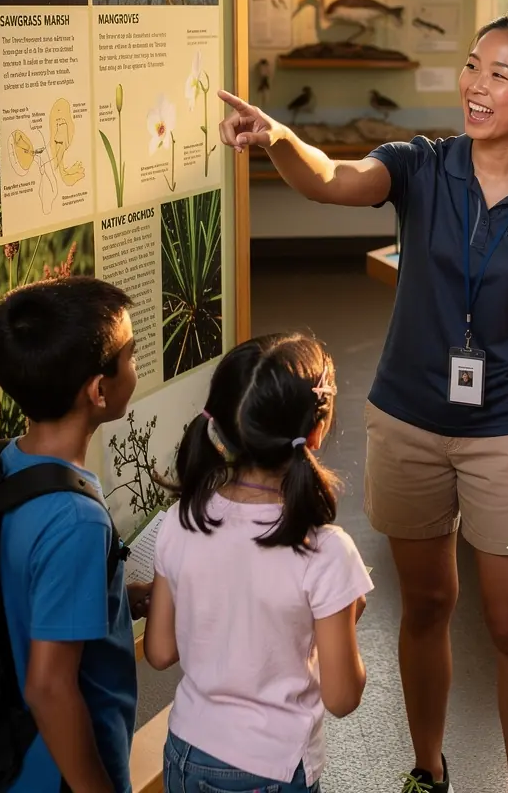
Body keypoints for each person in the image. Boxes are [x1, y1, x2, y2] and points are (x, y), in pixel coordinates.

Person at [218, 11, 508, 793]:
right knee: (425, 606)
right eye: (472, 66)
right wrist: (277, 139)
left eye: (500, 73)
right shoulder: (421, 166)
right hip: (408, 423)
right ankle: (428, 767)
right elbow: (332, 180)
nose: (476, 85)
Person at [143, 333, 372, 793]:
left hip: (185, 752)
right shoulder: (326, 552)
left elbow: (160, 651)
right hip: (271, 767)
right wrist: (341, 620)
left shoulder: (180, 521)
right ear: (315, 431)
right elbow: (343, 697)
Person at [0, 276, 143, 793]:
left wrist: (124, 598)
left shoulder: (8, 463)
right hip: (62, 773)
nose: (136, 366)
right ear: (99, 390)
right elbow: (50, 687)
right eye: (132, 354)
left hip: (10, 757)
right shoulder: (75, 520)